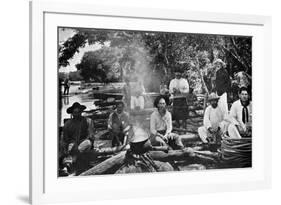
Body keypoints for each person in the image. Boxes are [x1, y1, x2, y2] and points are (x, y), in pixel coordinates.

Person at [61, 102, 95, 174]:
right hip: (72, 144)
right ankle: (69, 163)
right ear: (72, 113)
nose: (77, 114)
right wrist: (66, 148)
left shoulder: (88, 121)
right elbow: (65, 139)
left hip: (84, 143)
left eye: (78, 112)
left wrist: (84, 142)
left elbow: (91, 136)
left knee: (87, 143)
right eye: (75, 112)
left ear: (81, 112)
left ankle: (71, 161)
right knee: (69, 148)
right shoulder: (68, 124)